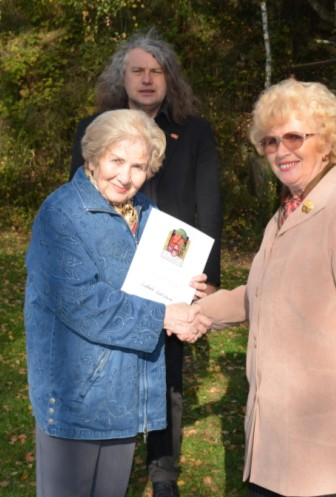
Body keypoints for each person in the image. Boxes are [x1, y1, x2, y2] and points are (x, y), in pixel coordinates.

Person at [195, 78, 336, 497]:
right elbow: (266, 292)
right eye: (270, 141)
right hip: (277, 437)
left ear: (327, 141)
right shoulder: (288, 210)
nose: (281, 150)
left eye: (294, 136)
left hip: (324, 446)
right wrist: (200, 310)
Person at [25, 109, 211, 497]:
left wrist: (188, 294)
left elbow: (156, 287)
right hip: (77, 397)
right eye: (116, 161)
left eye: (139, 166)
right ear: (93, 158)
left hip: (126, 396)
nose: (126, 177)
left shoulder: (148, 215)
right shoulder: (61, 213)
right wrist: (165, 315)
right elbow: (83, 303)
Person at [69, 31, 223, 497]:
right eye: (138, 70)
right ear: (123, 77)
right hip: (111, 266)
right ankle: (102, 453)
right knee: (107, 359)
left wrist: (209, 275)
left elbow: (209, 203)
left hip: (173, 269)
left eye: (156, 71)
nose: (147, 79)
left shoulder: (195, 131)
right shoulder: (92, 128)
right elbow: (78, 200)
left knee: (167, 369)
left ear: (169, 79)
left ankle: (162, 470)